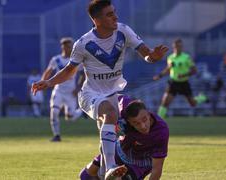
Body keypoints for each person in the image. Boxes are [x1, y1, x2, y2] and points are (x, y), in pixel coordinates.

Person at [32, 1, 168, 179]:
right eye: (109, 14)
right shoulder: (83, 43)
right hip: (90, 95)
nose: (115, 17)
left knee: (107, 142)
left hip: (112, 94)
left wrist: (153, 57)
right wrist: (49, 82)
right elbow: (69, 71)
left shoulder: (124, 31)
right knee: (111, 115)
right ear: (96, 20)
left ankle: (104, 170)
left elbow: (146, 53)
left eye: (115, 12)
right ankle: (112, 166)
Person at [79, 95, 169, 180]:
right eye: (136, 123)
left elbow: (157, 169)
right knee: (85, 176)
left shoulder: (161, 131)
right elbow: (109, 96)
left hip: (139, 163)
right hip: (119, 149)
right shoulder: (123, 105)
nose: (143, 126)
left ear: (148, 114)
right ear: (129, 121)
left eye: (144, 119)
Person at [41, 37, 84, 142]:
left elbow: (83, 74)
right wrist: (42, 82)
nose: (67, 48)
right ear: (62, 47)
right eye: (65, 46)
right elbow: (48, 71)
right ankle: (57, 135)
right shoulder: (56, 59)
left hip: (71, 92)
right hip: (59, 90)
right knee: (54, 111)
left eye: (69, 46)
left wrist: (78, 87)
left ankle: (82, 112)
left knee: (70, 117)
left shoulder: (76, 60)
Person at [153, 38, 207, 118]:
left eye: (179, 46)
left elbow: (194, 70)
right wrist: (160, 75)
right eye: (175, 47)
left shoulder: (186, 57)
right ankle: (158, 121)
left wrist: (184, 75)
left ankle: (202, 98)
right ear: (173, 47)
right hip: (173, 82)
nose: (177, 48)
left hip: (184, 83)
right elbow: (168, 69)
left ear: (182, 47)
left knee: (192, 103)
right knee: (165, 102)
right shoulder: (170, 57)